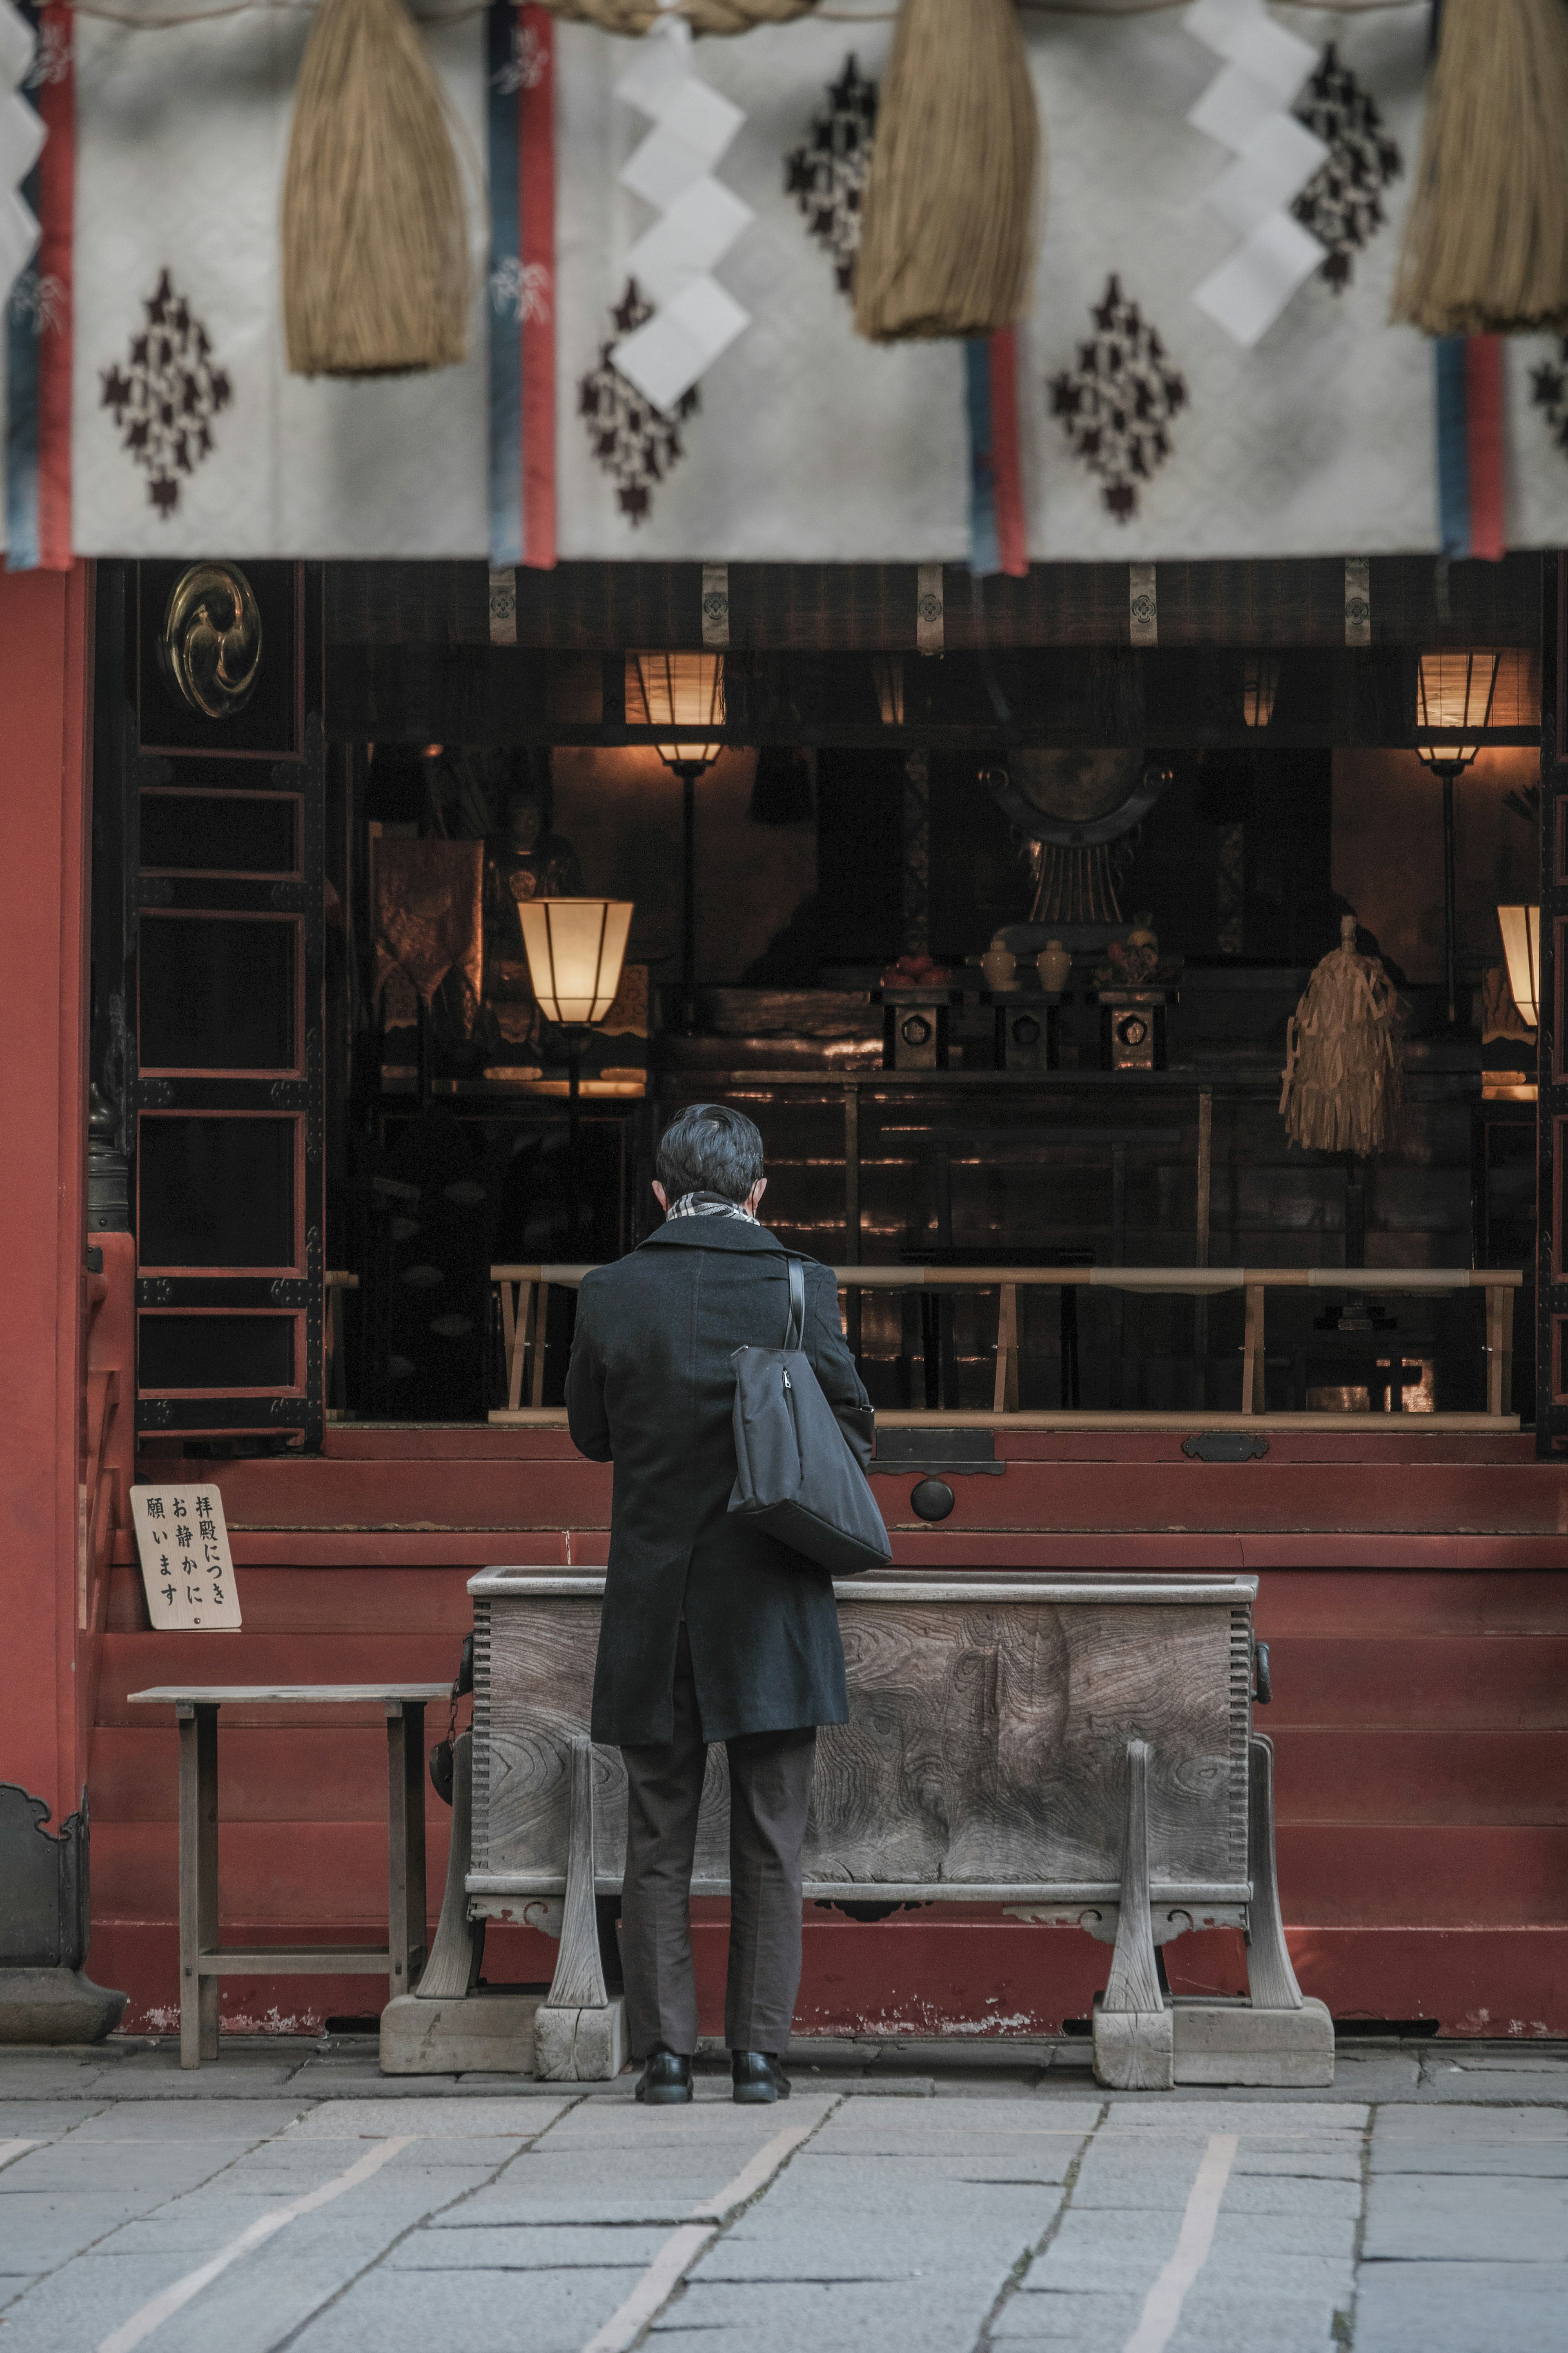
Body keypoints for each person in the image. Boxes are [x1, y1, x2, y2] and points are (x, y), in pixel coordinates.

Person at [564, 1103, 874, 2106]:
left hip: (660, 1606)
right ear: (758, 1194)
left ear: (660, 1193)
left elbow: (590, 1435)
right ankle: (758, 2058)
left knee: (656, 1836)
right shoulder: (799, 1284)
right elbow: (853, 1429)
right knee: (772, 1835)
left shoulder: (611, 1293)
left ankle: (664, 2060)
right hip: (775, 1601)